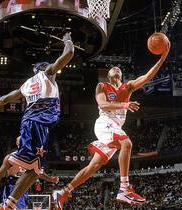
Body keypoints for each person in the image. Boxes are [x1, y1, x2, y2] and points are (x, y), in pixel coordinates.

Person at [53, 40, 170, 209]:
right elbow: (102, 105)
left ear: (121, 75)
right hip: (104, 123)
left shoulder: (127, 87)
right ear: (108, 75)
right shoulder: (103, 86)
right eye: (112, 69)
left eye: (118, 68)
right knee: (127, 143)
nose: (116, 68)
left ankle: (63, 192)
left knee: (95, 165)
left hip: (114, 127)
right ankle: (124, 188)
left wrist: (163, 57)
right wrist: (125, 105)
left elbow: (148, 77)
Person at [0, 32, 74, 210]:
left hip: (33, 123)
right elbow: (68, 55)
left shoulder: (26, 84)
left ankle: (9, 204)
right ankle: (8, 200)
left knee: (35, 170)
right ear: (44, 69)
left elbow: (7, 98)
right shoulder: (47, 74)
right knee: (32, 168)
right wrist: (67, 41)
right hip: (37, 122)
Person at [0, 136, 59, 210]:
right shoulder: (10, 158)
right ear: (18, 144)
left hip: (24, 188)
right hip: (12, 186)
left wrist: (51, 179)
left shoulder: (33, 158)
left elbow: (39, 173)